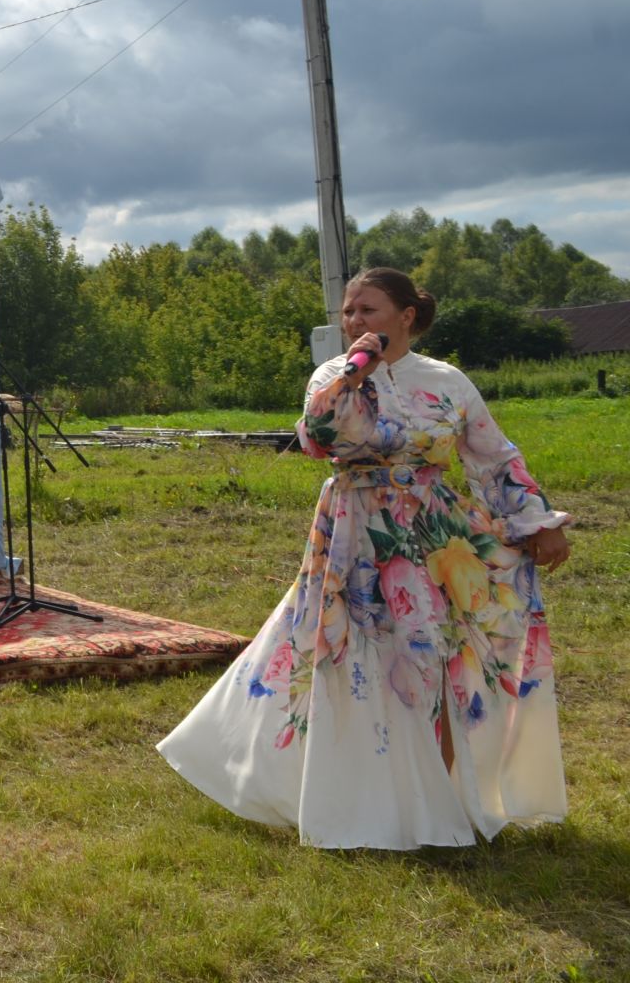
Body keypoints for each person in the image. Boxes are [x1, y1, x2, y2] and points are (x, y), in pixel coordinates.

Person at [158, 268, 572, 849]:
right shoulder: (333, 375)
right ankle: (363, 800)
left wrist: (536, 523)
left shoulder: (448, 380)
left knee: (436, 654)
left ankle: (446, 800)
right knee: (359, 651)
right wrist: (357, 368)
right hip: (356, 528)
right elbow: (319, 435)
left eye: (368, 311)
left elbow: (492, 456)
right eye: (348, 311)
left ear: (406, 316)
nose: (354, 321)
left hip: (437, 531)